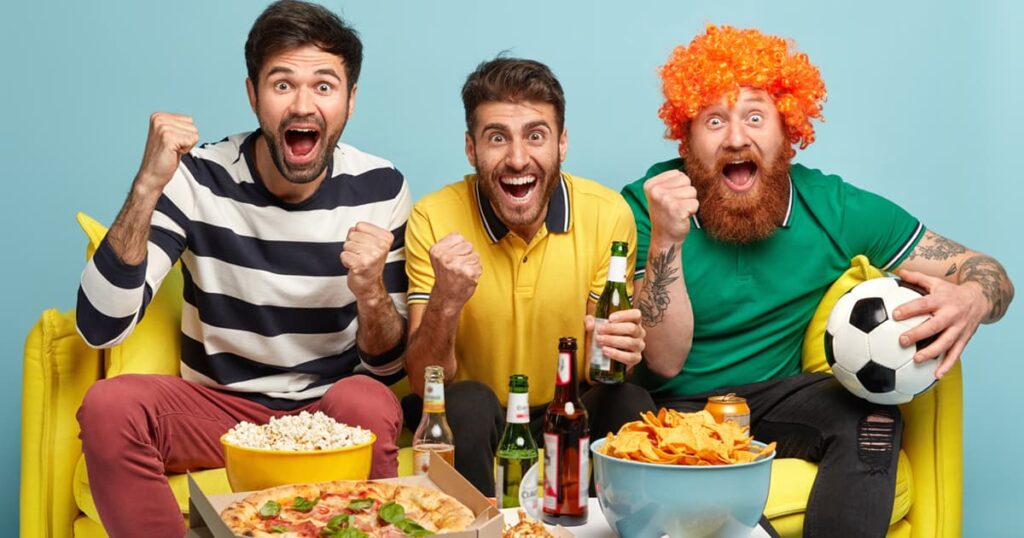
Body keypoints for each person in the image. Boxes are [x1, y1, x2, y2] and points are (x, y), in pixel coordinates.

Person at [622, 25, 1014, 537]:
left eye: (756, 117)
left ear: (788, 130)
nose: (737, 138)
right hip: (669, 410)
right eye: (714, 120)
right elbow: (665, 359)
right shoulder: (647, 202)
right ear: (687, 138)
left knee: (871, 420)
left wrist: (971, 298)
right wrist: (667, 240)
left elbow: (987, 270)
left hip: (772, 398)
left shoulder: (833, 208)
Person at [74, 2, 410, 535]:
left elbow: (389, 368)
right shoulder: (197, 177)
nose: (304, 105)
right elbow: (100, 328)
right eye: (282, 85)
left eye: (324, 85)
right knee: (109, 405)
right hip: (218, 411)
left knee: (367, 398)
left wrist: (369, 291)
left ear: (350, 99)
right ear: (252, 94)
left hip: (329, 410)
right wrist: (147, 184)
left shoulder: (380, 186)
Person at [401, 57, 659, 495]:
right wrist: (446, 299)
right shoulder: (433, 217)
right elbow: (425, 378)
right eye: (496, 137)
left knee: (628, 400)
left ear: (562, 144)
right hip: (475, 415)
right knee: (467, 401)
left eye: (535, 136)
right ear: (471, 148)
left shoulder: (607, 213)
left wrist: (617, 350)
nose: (517, 158)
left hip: (564, 407)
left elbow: (600, 375)